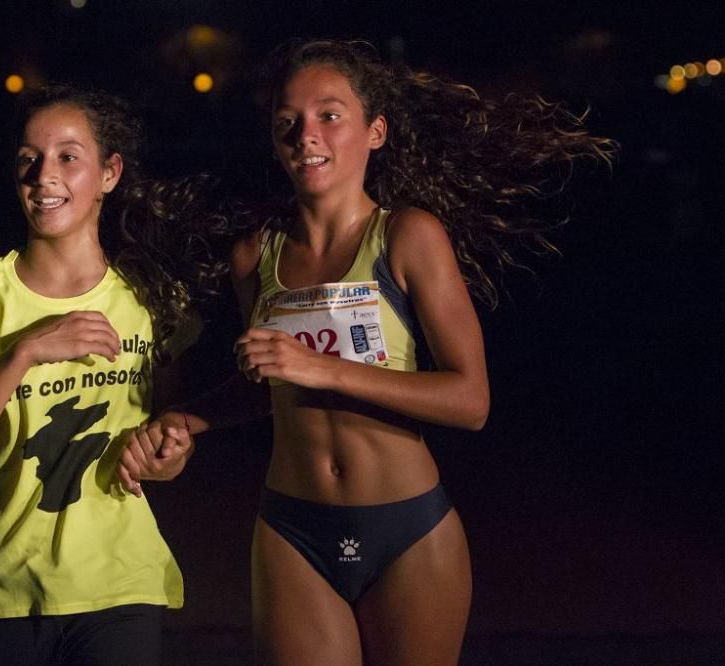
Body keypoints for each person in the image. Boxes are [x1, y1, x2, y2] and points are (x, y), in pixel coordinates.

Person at [119, 39, 615, 664]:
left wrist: (323, 368)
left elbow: (471, 400)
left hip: (407, 531)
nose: (307, 134)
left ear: (375, 132)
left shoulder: (408, 236)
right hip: (292, 530)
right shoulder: (256, 255)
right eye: (288, 122)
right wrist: (187, 421)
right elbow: (267, 386)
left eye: (330, 115)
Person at [0, 83, 223, 665]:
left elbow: (172, 428)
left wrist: (170, 451)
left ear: (109, 173)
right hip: (15, 588)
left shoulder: (150, 294)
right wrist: (24, 352)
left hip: (122, 580)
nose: (44, 175)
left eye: (68, 156)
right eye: (28, 159)